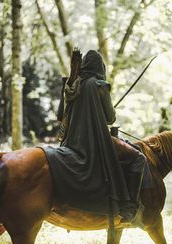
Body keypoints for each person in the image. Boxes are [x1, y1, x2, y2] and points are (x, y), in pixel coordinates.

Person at [44, 50, 151, 225]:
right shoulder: (100, 85)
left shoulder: (72, 84)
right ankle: (128, 207)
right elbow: (110, 118)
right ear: (99, 67)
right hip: (95, 140)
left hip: (71, 141)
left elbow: (59, 115)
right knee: (138, 158)